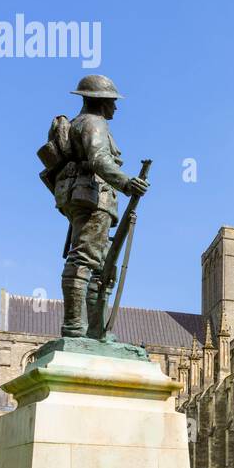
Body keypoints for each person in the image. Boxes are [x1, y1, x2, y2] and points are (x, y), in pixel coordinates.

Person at [50, 75, 150, 339]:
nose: (115, 107)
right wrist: (127, 182)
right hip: (94, 198)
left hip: (81, 197)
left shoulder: (77, 123)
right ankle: (74, 328)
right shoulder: (94, 123)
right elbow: (98, 159)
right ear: (100, 101)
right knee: (85, 260)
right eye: (112, 102)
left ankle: (95, 329)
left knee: (100, 267)